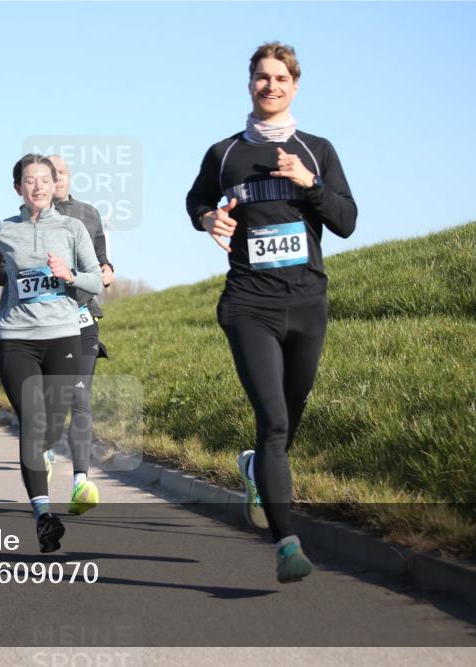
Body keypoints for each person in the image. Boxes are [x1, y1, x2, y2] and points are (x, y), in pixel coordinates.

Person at [185, 42, 357, 582]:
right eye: (262, 77)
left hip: (308, 302)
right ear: (250, 85)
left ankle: (256, 467)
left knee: (290, 416)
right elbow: (195, 201)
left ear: (295, 86)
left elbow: (347, 221)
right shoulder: (225, 153)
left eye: (281, 78)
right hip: (248, 304)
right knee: (275, 420)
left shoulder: (317, 150)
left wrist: (312, 186)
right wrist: (209, 219)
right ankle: (287, 544)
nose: (271, 86)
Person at [0, 153, 103, 553]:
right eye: (30, 180)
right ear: (18, 188)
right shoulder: (4, 229)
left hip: (63, 334)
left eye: (44, 179)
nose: (38, 186)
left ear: (53, 184)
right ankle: (43, 515)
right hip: (17, 337)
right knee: (32, 420)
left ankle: (45, 461)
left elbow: (96, 280)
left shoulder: (73, 226)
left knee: (53, 421)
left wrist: (69, 276)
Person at [45, 154, 115, 515]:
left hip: (84, 319)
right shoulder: (27, 221)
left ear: (68, 177)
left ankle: (80, 483)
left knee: (80, 399)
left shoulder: (88, 213)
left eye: (61, 172)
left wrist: (107, 270)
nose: (55, 178)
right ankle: (43, 447)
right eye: (48, 172)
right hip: (43, 325)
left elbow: (102, 256)